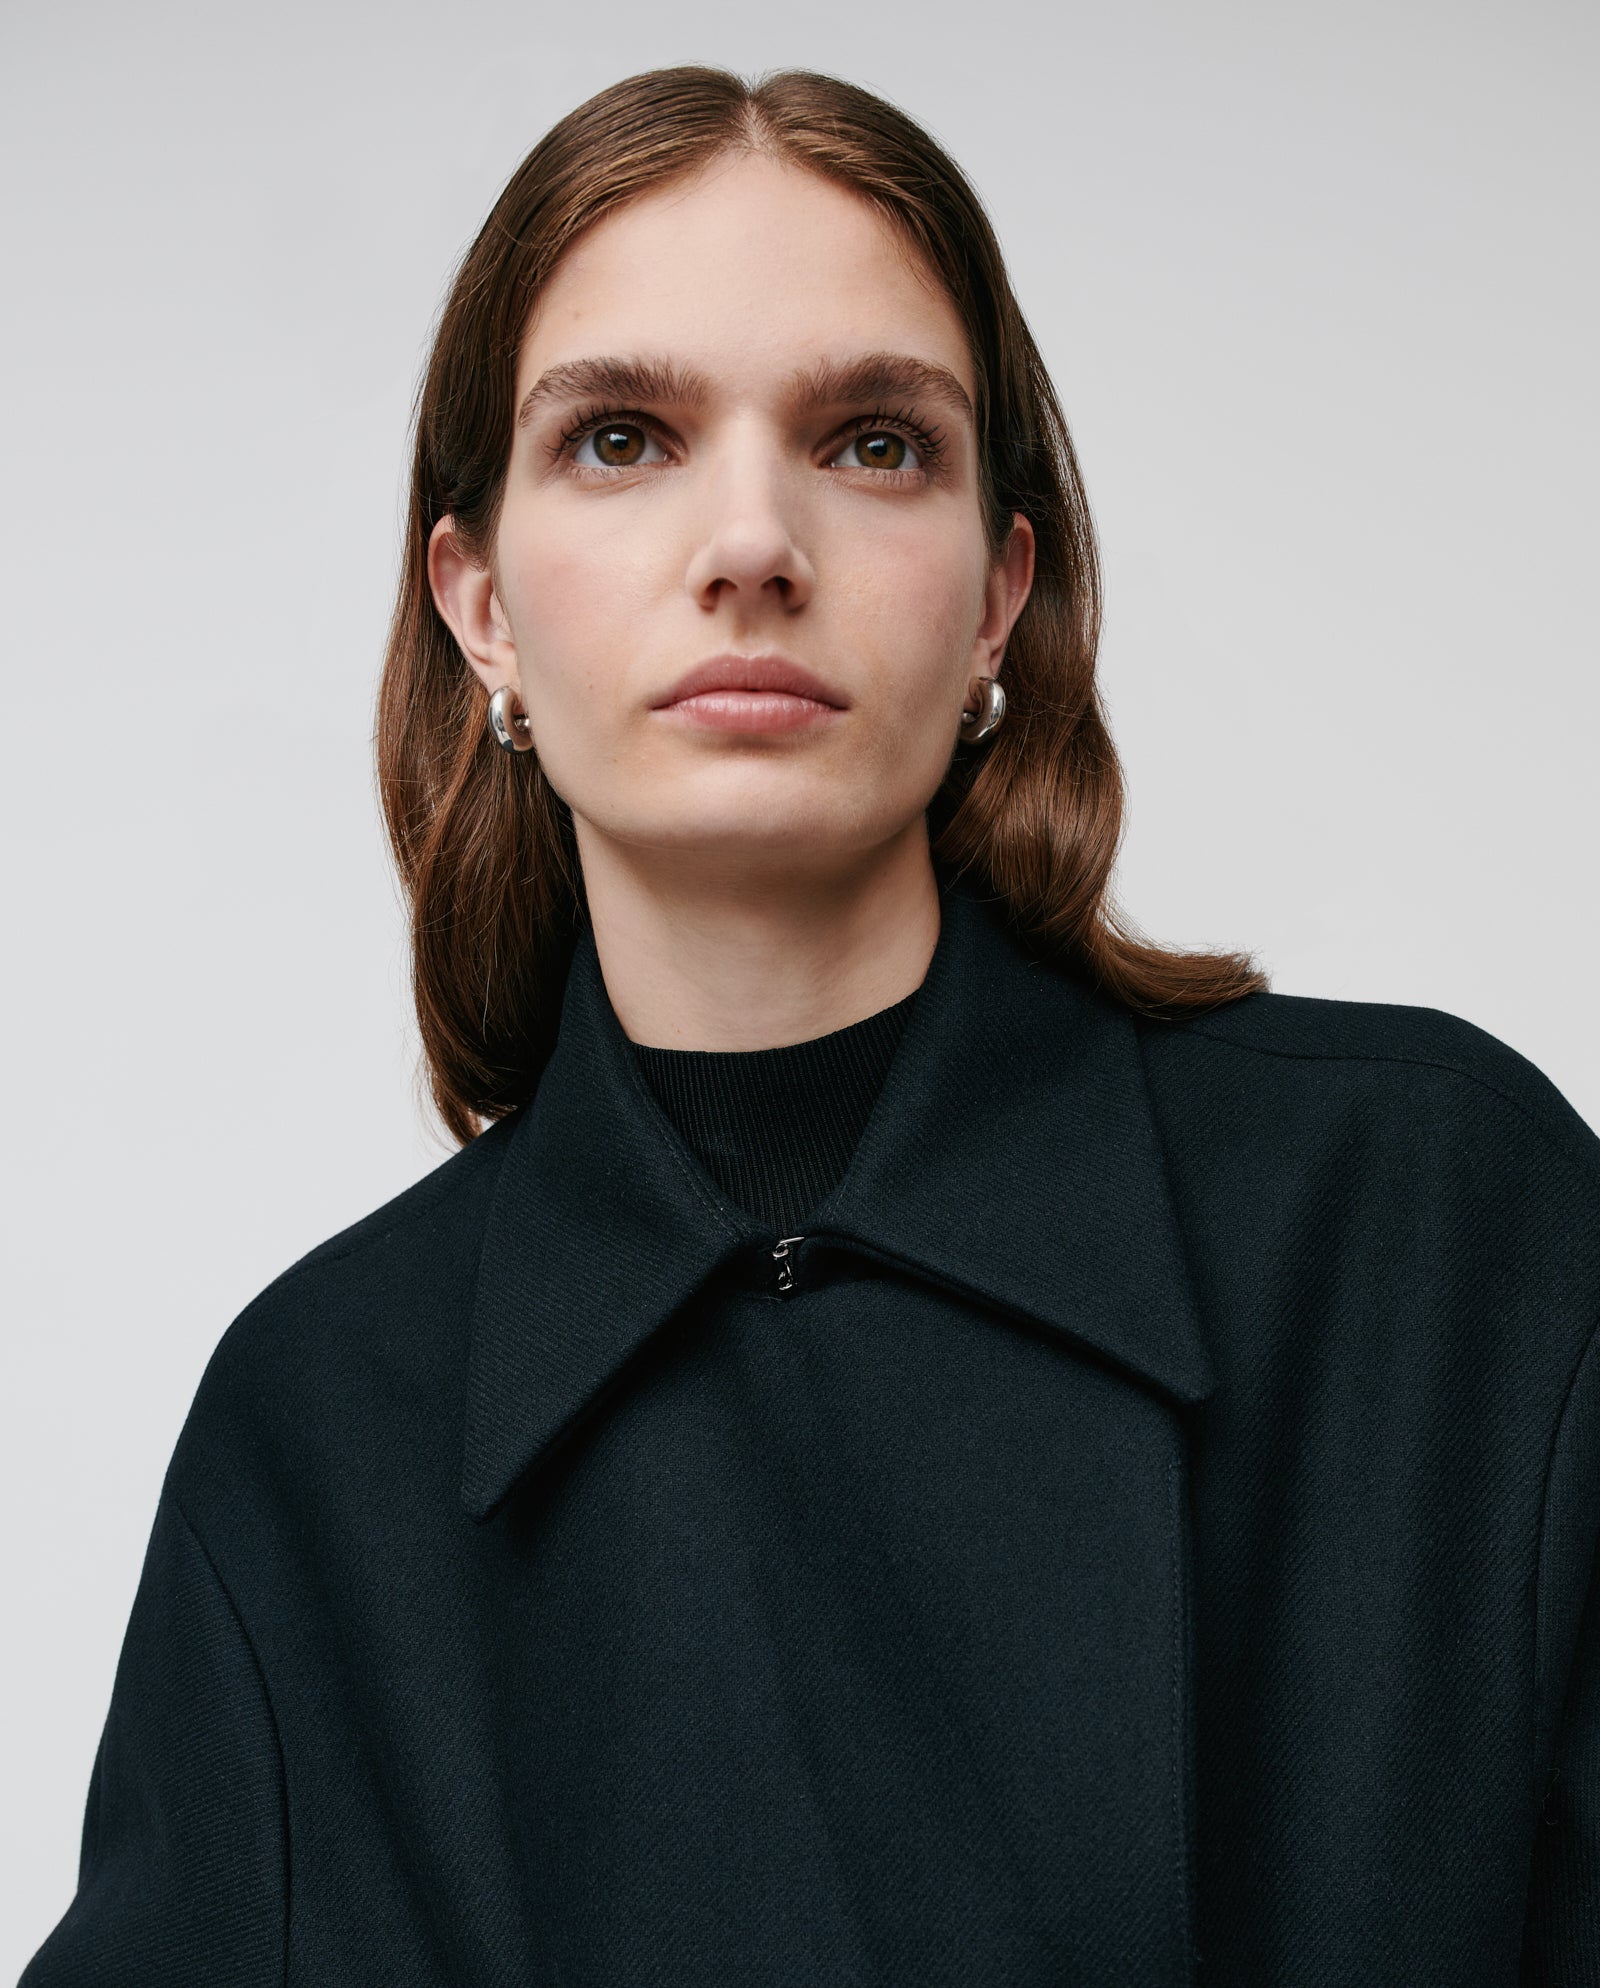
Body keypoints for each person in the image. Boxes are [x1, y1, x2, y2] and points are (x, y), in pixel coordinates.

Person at [21, 63, 1600, 1988]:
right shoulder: (325, 1429)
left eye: (872, 443)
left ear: (1003, 592)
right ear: (480, 605)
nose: (753, 540)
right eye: (620, 438)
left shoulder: (1440, 1232)